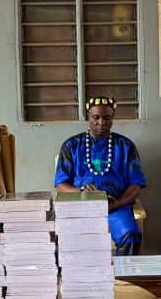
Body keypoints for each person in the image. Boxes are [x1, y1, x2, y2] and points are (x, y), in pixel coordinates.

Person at [55, 97, 146, 255]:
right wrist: (82, 192)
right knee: (66, 238)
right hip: (81, 206)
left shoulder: (125, 146)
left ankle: (122, 272)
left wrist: (116, 204)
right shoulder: (71, 145)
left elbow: (136, 184)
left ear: (113, 118)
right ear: (88, 116)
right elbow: (61, 185)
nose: (101, 122)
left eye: (107, 118)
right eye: (96, 117)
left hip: (116, 205)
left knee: (130, 235)